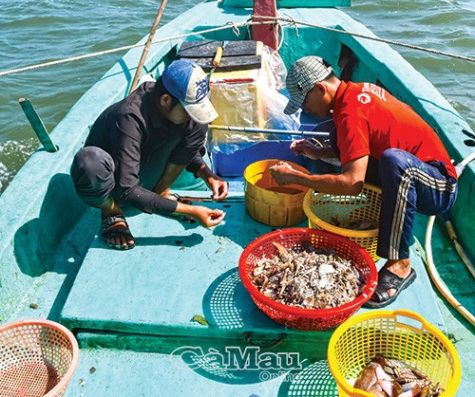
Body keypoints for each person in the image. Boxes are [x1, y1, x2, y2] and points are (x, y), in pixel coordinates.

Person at [269, 56, 458, 307]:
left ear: (320, 89)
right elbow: (356, 143)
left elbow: (352, 183)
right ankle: (381, 215)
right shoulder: (353, 93)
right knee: (348, 141)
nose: (305, 110)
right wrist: (318, 152)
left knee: (395, 163)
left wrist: (297, 178)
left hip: (438, 184)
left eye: (304, 102)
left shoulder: (350, 112)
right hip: (416, 172)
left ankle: (399, 264)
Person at [70, 59, 227, 250]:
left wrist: (208, 175)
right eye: (188, 111)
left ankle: (161, 193)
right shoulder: (129, 117)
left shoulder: (183, 110)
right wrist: (191, 211)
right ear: (165, 100)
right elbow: (127, 190)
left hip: (146, 164)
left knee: (198, 124)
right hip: (116, 181)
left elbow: (188, 149)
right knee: (89, 162)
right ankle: (111, 212)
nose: (192, 116)